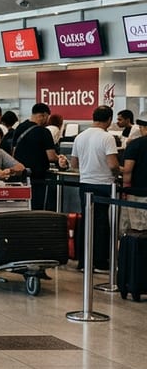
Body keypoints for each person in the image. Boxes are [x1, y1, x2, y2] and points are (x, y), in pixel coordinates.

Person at [70, 106, 121, 272]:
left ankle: (83, 261)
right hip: (104, 185)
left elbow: (74, 164)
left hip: (84, 184)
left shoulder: (80, 136)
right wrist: (119, 172)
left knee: (86, 221)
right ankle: (99, 261)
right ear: (109, 119)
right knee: (102, 224)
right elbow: (113, 164)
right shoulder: (107, 137)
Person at [12, 103, 69, 210]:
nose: (47, 120)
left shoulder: (20, 127)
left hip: (20, 176)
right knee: (36, 208)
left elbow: (13, 152)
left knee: (21, 208)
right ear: (43, 115)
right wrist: (60, 159)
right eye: (47, 117)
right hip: (37, 178)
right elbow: (51, 156)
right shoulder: (44, 132)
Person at [122, 119, 147, 233]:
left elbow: (127, 170)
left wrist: (125, 190)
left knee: (138, 230)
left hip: (138, 193)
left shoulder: (135, 144)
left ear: (143, 127)